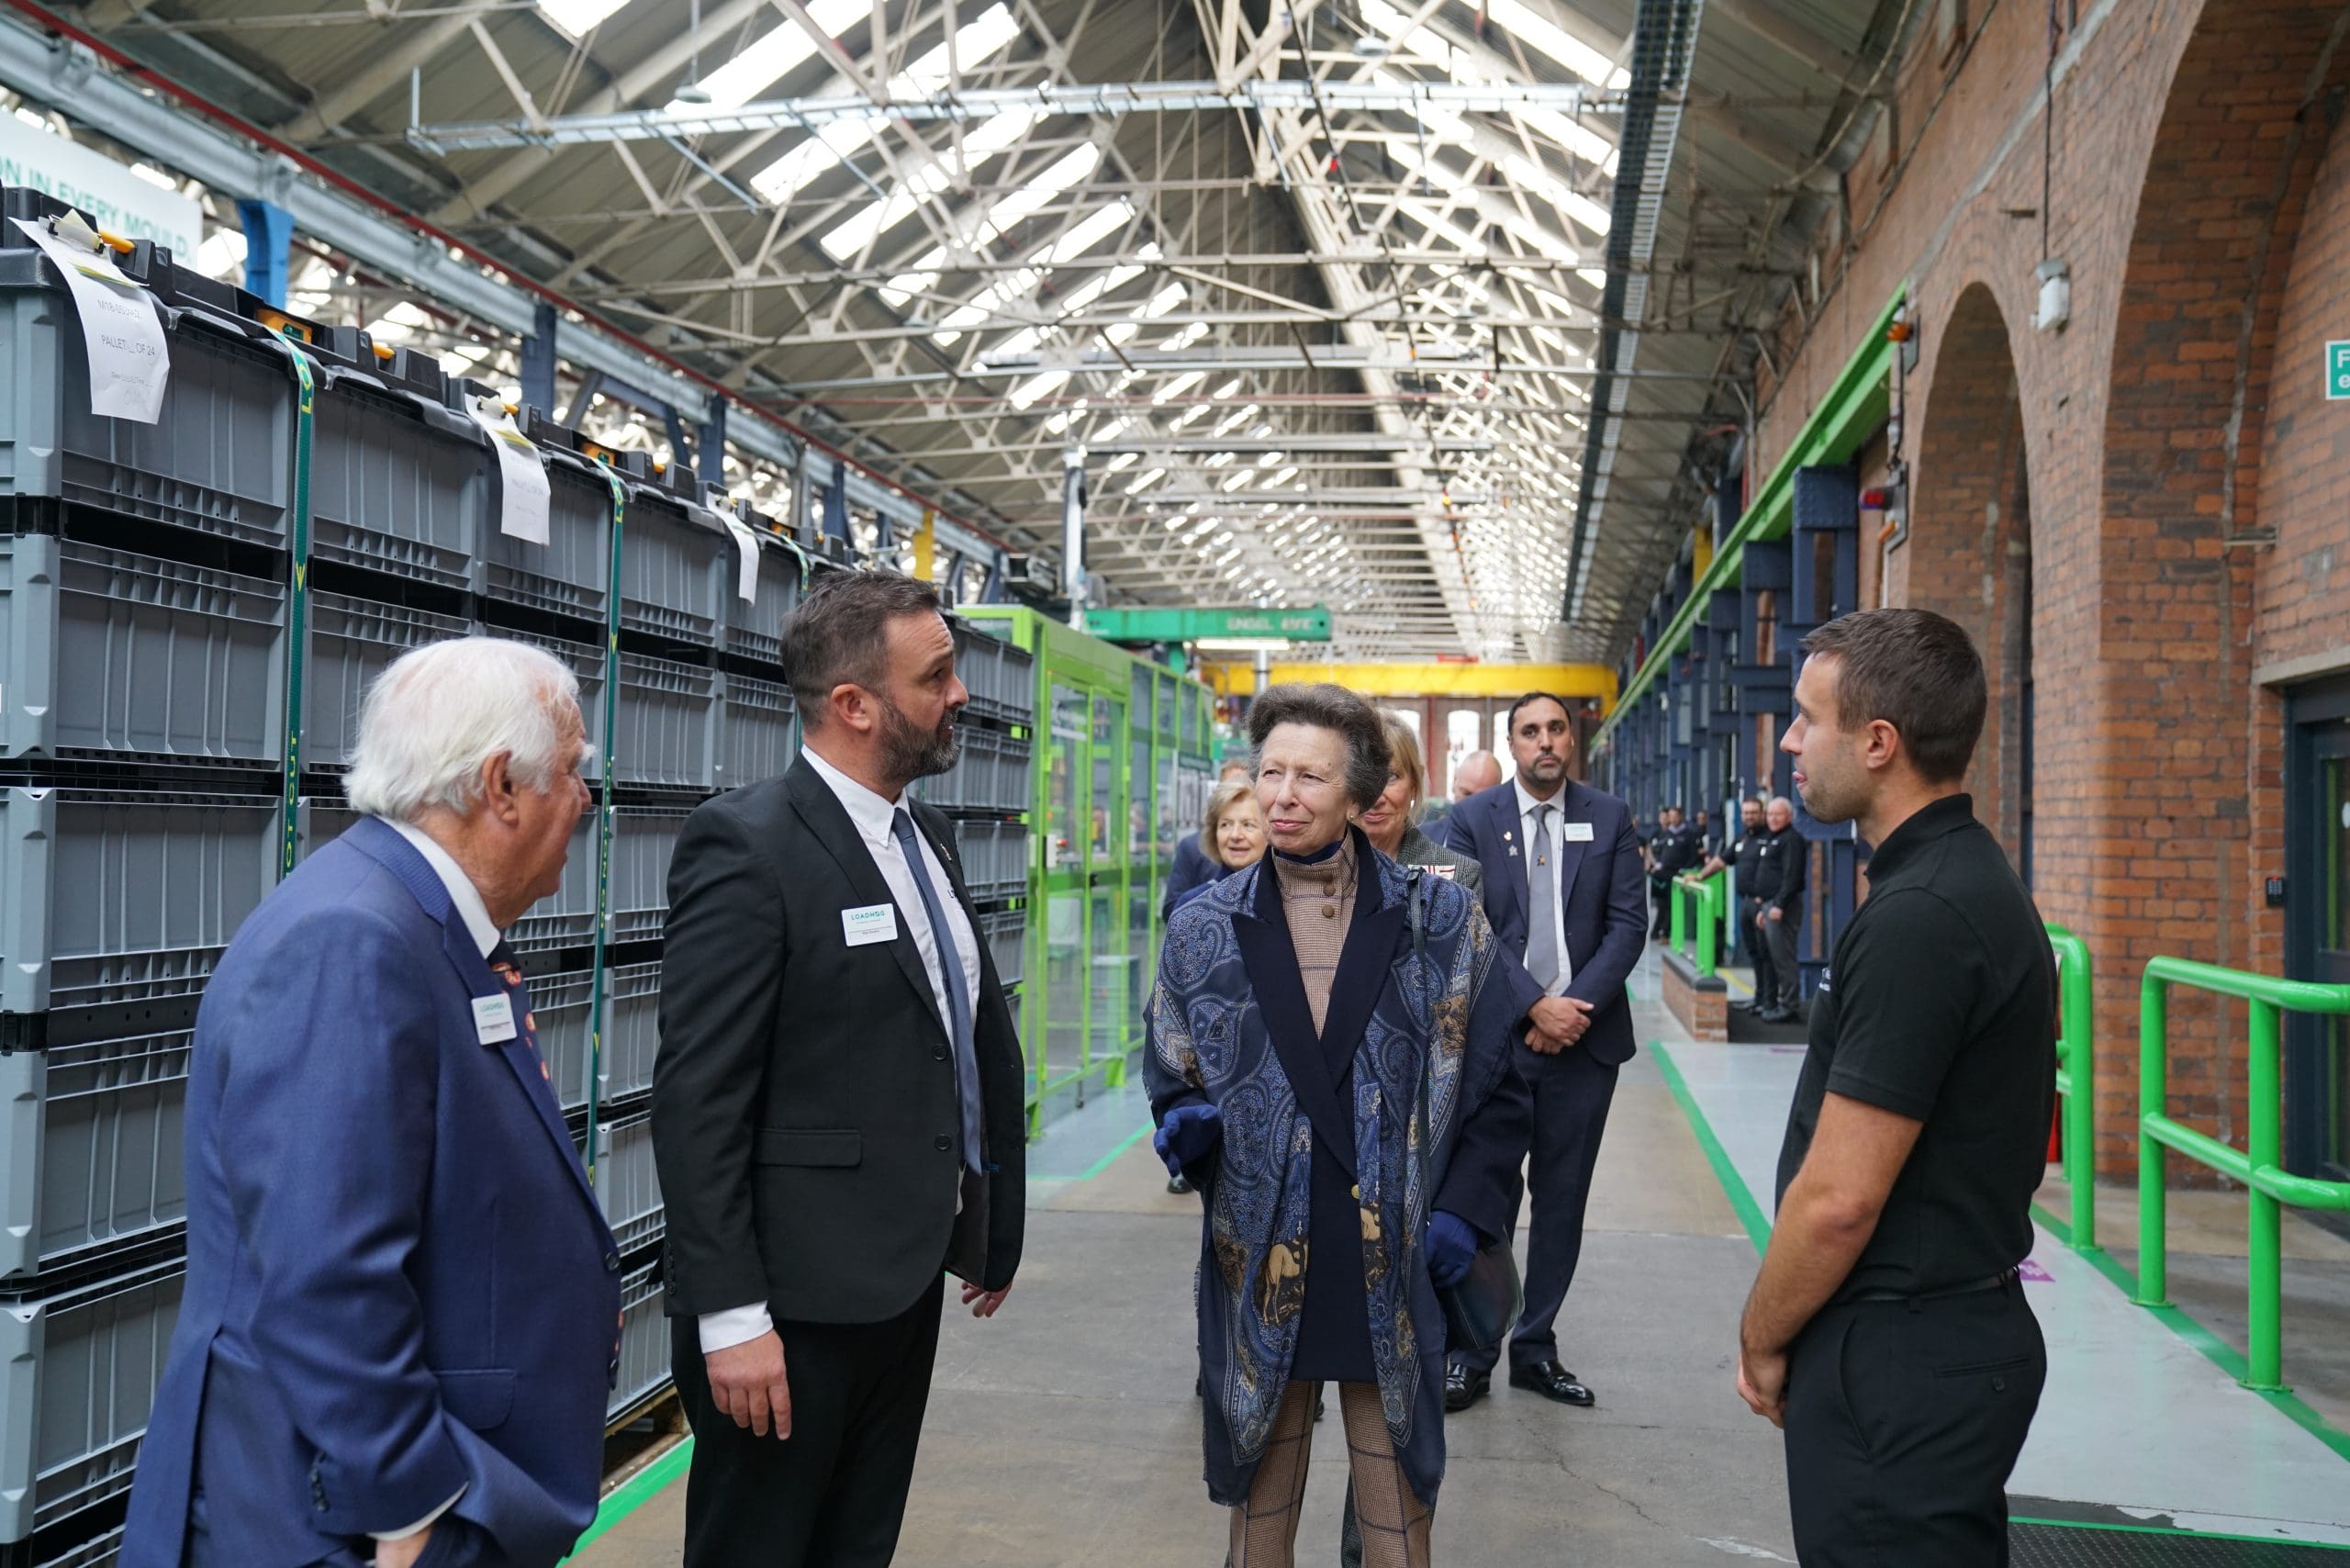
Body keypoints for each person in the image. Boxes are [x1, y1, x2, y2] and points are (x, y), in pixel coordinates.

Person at [124, 639, 619, 1568]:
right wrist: (411, 1499)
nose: (586, 798)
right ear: (501, 785)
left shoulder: (414, 921)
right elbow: (324, 1269)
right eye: (572, 770)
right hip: (343, 1522)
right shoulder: (352, 940)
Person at [652, 570, 1025, 1568]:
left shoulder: (926, 836)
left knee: (857, 1546)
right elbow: (698, 1099)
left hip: (900, 1283)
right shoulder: (747, 845)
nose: (959, 694)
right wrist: (731, 1316)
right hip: (789, 1306)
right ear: (855, 705)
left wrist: (988, 1221)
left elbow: (956, 1039)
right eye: (935, 676)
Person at [1147, 683, 1532, 1568]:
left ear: (1358, 795)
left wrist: (1463, 1211)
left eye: (1310, 777)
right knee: (1260, 1516)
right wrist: (1185, 1121)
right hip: (1264, 1251)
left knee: (1396, 1517)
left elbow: (1499, 1082)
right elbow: (1171, 1063)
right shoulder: (1205, 927)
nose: (1282, 796)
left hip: (1392, 1249)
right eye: (1270, 772)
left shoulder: (1439, 919)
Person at [1736, 607, 2054, 1564]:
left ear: (1878, 743)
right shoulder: (1959, 880)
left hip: (1900, 1358)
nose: (1789, 741)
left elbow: (1839, 1199)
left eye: (1807, 717)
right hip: (1939, 1341)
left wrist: (1761, 1335)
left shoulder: (1921, 915)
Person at [1438, 692, 1645, 1414]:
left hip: (1584, 1043)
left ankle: (1536, 1347)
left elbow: (1627, 925)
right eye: (1530, 731)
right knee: (1484, 1199)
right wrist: (1532, 1005)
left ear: (1571, 739)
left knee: (1563, 1200)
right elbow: (1468, 925)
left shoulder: (1609, 816)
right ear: (1513, 744)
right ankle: (1472, 1351)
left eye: (1556, 728)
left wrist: (1570, 1010)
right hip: (1499, 1042)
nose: (1546, 741)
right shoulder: (1472, 819)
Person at [1361, 713, 1483, 893]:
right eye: (1364, 776)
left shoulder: (1458, 876)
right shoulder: (1318, 864)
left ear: (1414, 784)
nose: (1376, 798)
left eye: (1392, 776)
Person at [1700, 798, 1774, 1013]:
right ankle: (1759, 997)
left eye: (1753, 812)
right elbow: (1721, 861)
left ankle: (1770, 1001)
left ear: (1762, 814)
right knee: (1754, 952)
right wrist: (1699, 877)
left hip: (1764, 903)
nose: (1749, 816)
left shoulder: (1770, 837)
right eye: (1746, 813)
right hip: (1746, 902)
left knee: (1766, 953)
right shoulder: (1743, 838)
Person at [1166, 757, 1257, 914]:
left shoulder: (1289, 900)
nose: (1235, 835)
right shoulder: (1191, 905)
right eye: (1225, 825)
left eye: (1248, 824)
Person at [1754, 796, 1808, 1022]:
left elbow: (1791, 876)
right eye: (1770, 814)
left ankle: (1789, 1005)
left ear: (1789, 816)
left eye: (1778, 814)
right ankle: (1776, 1001)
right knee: (1774, 956)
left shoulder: (1791, 840)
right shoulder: (1774, 838)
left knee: (1784, 957)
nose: (1773, 818)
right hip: (1770, 905)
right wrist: (1764, 908)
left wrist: (1779, 905)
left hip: (1782, 907)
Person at [1420, 748, 1500, 844]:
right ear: (1454, 781)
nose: (1472, 804)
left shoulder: (1506, 844)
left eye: (1481, 798)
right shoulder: (1421, 837)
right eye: (1466, 793)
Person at [1647, 805, 1698, 939]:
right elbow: (1658, 851)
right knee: (1661, 904)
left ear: (1681, 816)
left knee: (1671, 904)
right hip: (1663, 874)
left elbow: (1693, 856)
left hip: (1676, 875)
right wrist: (1658, 864)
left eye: (1675, 816)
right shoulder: (1665, 833)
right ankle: (1658, 931)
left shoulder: (1689, 835)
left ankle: (1664, 932)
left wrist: (1683, 870)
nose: (1672, 819)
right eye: (1670, 816)